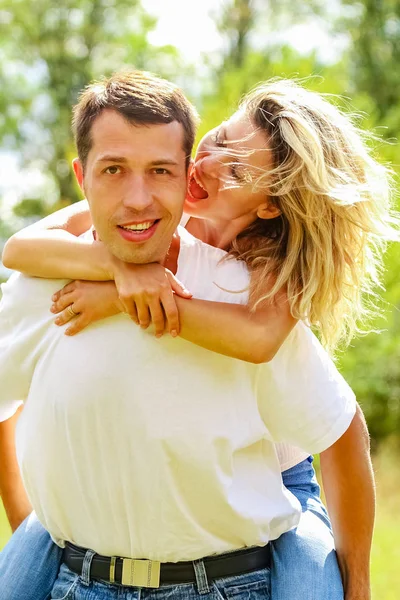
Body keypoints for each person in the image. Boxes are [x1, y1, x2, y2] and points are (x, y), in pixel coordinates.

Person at [0, 71, 394, 600]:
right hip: (95, 563)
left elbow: (260, 345)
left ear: (269, 204)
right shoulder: (140, 206)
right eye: (222, 139)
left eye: (234, 168)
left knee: (308, 572)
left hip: (283, 479)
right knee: (31, 550)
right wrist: (119, 269)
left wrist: (125, 299)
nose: (206, 165)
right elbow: (21, 248)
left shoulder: (261, 280)